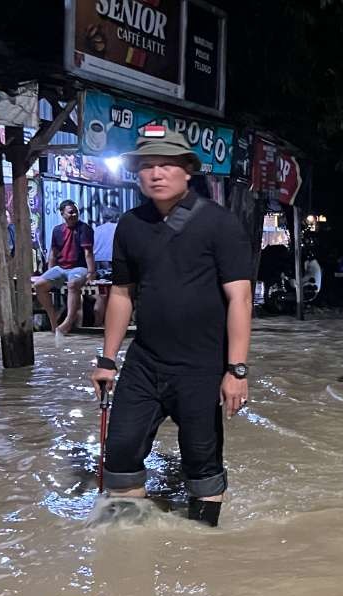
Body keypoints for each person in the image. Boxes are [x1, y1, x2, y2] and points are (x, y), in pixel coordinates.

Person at [89, 127, 253, 528]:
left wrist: (236, 370)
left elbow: (240, 298)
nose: (156, 174)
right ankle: (126, 555)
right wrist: (107, 360)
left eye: (166, 165)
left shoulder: (219, 223)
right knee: (121, 449)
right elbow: (122, 296)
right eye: (147, 166)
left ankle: (203, 549)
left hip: (200, 365)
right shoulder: (130, 226)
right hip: (145, 360)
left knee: (201, 460)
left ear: (188, 171)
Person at [34, 199, 94, 334]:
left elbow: (88, 252)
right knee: (39, 285)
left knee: (72, 284)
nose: (74, 215)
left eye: (76, 212)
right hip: (61, 268)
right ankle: (53, 320)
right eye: (71, 212)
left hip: (79, 267)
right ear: (62, 213)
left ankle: (68, 321)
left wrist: (91, 272)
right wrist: (50, 272)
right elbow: (53, 254)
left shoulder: (84, 229)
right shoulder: (57, 230)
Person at [92, 205, 121, 326]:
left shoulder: (96, 230)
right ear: (117, 216)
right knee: (119, 296)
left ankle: (98, 325)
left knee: (101, 295)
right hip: (116, 265)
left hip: (99, 266)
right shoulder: (119, 228)